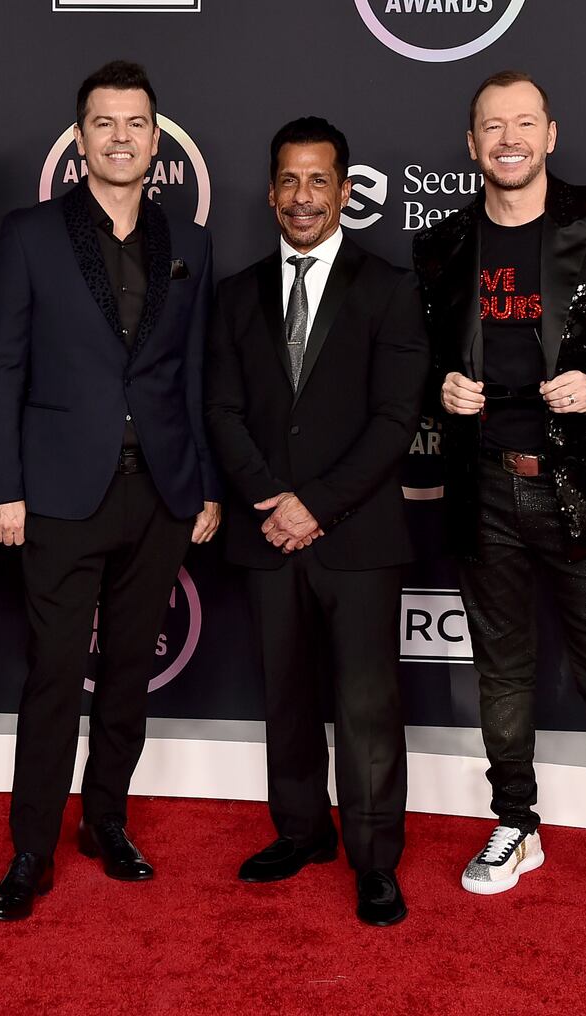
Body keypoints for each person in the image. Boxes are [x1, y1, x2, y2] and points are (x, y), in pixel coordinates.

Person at [412, 70, 586, 940]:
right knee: (502, 674)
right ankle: (516, 824)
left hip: (584, 492)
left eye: (523, 123)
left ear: (550, 134)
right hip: (486, 487)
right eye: (491, 126)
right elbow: (414, 359)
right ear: (471, 144)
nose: (508, 138)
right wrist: (442, 389)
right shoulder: (443, 244)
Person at [0, 60, 219, 921]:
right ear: (80, 139)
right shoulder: (30, 235)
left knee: (126, 674)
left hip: (157, 491)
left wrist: (205, 485)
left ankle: (105, 823)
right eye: (104, 123)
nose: (122, 138)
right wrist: (0, 487)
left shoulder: (188, 242)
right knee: (51, 677)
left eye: (136, 123)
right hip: (54, 495)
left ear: (158, 139)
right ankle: (31, 850)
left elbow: (191, 375)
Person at [205, 116, 429, 926]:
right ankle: (300, 831)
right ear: (272, 193)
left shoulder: (390, 288)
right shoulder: (234, 294)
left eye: (319, 181)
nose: (304, 198)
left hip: (357, 537)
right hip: (268, 533)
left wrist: (316, 505)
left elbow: (395, 418)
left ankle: (375, 861)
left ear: (345, 191)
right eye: (289, 182)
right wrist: (273, 499)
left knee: (367, 708)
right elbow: (221, 410)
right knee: (287, 697)